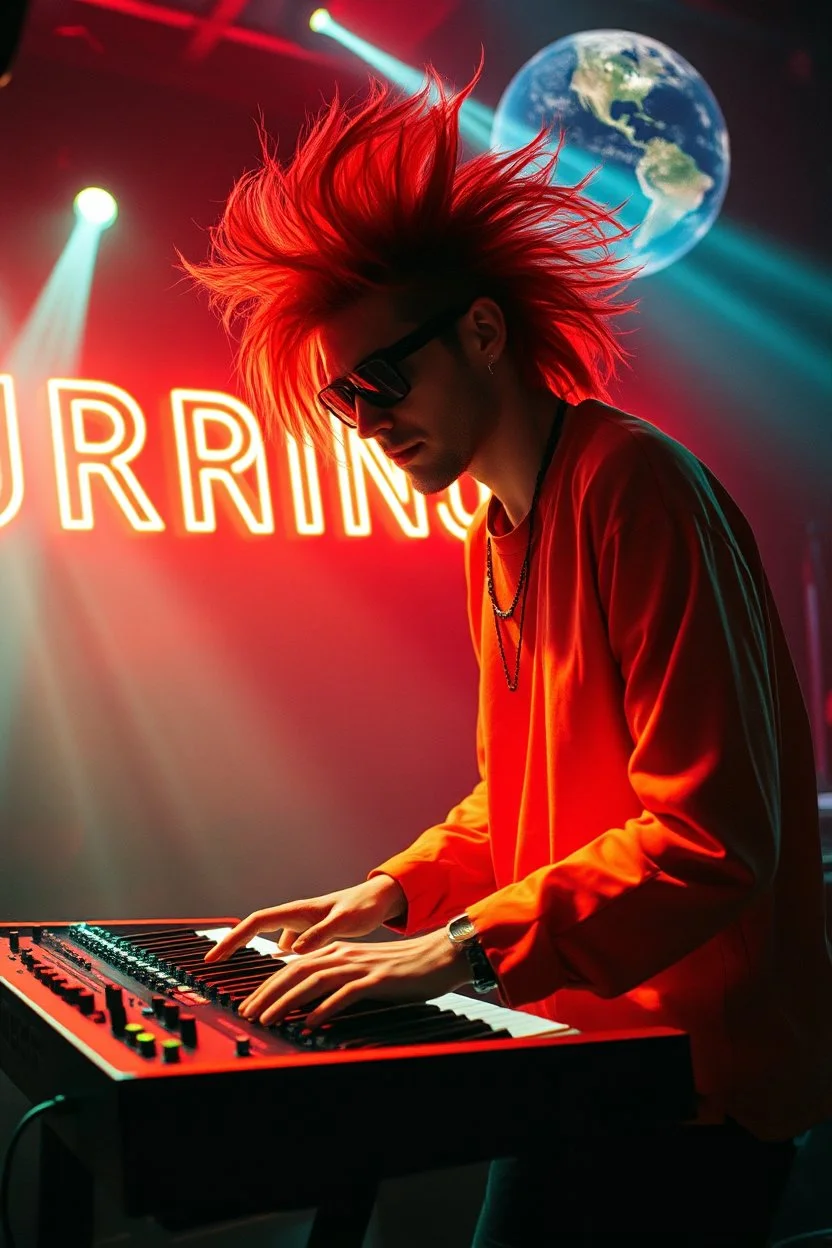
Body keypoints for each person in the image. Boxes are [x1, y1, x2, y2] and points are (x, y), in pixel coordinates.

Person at [182, 65, 832, 1245]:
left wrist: (457, 947)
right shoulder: (494, 530)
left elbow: (711, 836)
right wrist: (394, 891)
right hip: (585, 1050)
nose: (368, 419)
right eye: (343, 401)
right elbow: (530, 796)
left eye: (382, 377)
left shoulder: (634, 489)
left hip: (696, 1093)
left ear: (482, 330)